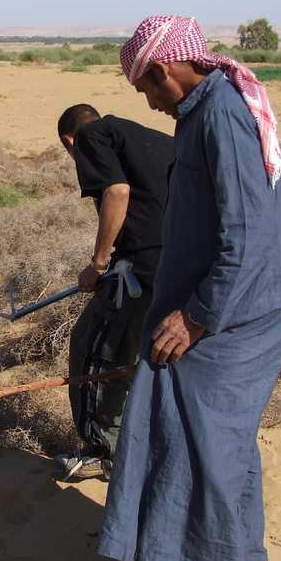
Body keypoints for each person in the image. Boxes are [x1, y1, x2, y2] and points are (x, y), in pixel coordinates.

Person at [97, 15, 281, 561]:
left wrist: (196, 315)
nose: (150, 105)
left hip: (238, 308)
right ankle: (249, 560)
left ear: (164, 70)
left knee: (201, 434)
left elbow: (245, 233)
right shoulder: (206, 108)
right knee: (223, 433)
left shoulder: (220, 115)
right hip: (235, 299)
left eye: (146, 89)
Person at [53, 103, 174, 481]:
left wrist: (99, 263)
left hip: (141, 270)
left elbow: (117, 192)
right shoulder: (153, 139)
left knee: (94, 350)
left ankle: (104, 452)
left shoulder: (89, 136)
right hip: (179, 267)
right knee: (148, 359)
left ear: (68, 140)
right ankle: (151, 445)